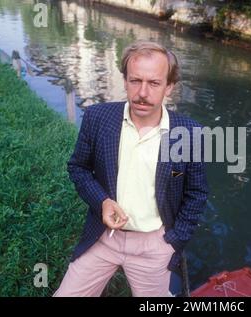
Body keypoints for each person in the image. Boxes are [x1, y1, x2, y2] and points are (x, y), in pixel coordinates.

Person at [53, 41, 208, 297]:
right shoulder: (97, 118)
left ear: (169, 87)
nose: (142, 93)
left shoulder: (189, 133)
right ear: (124, 80)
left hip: (154, 246)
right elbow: (78, 168)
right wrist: (102, 201)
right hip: (103, 238)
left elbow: (197, 193)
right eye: (135, 80)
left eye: (154, 83)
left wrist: (175, 241)